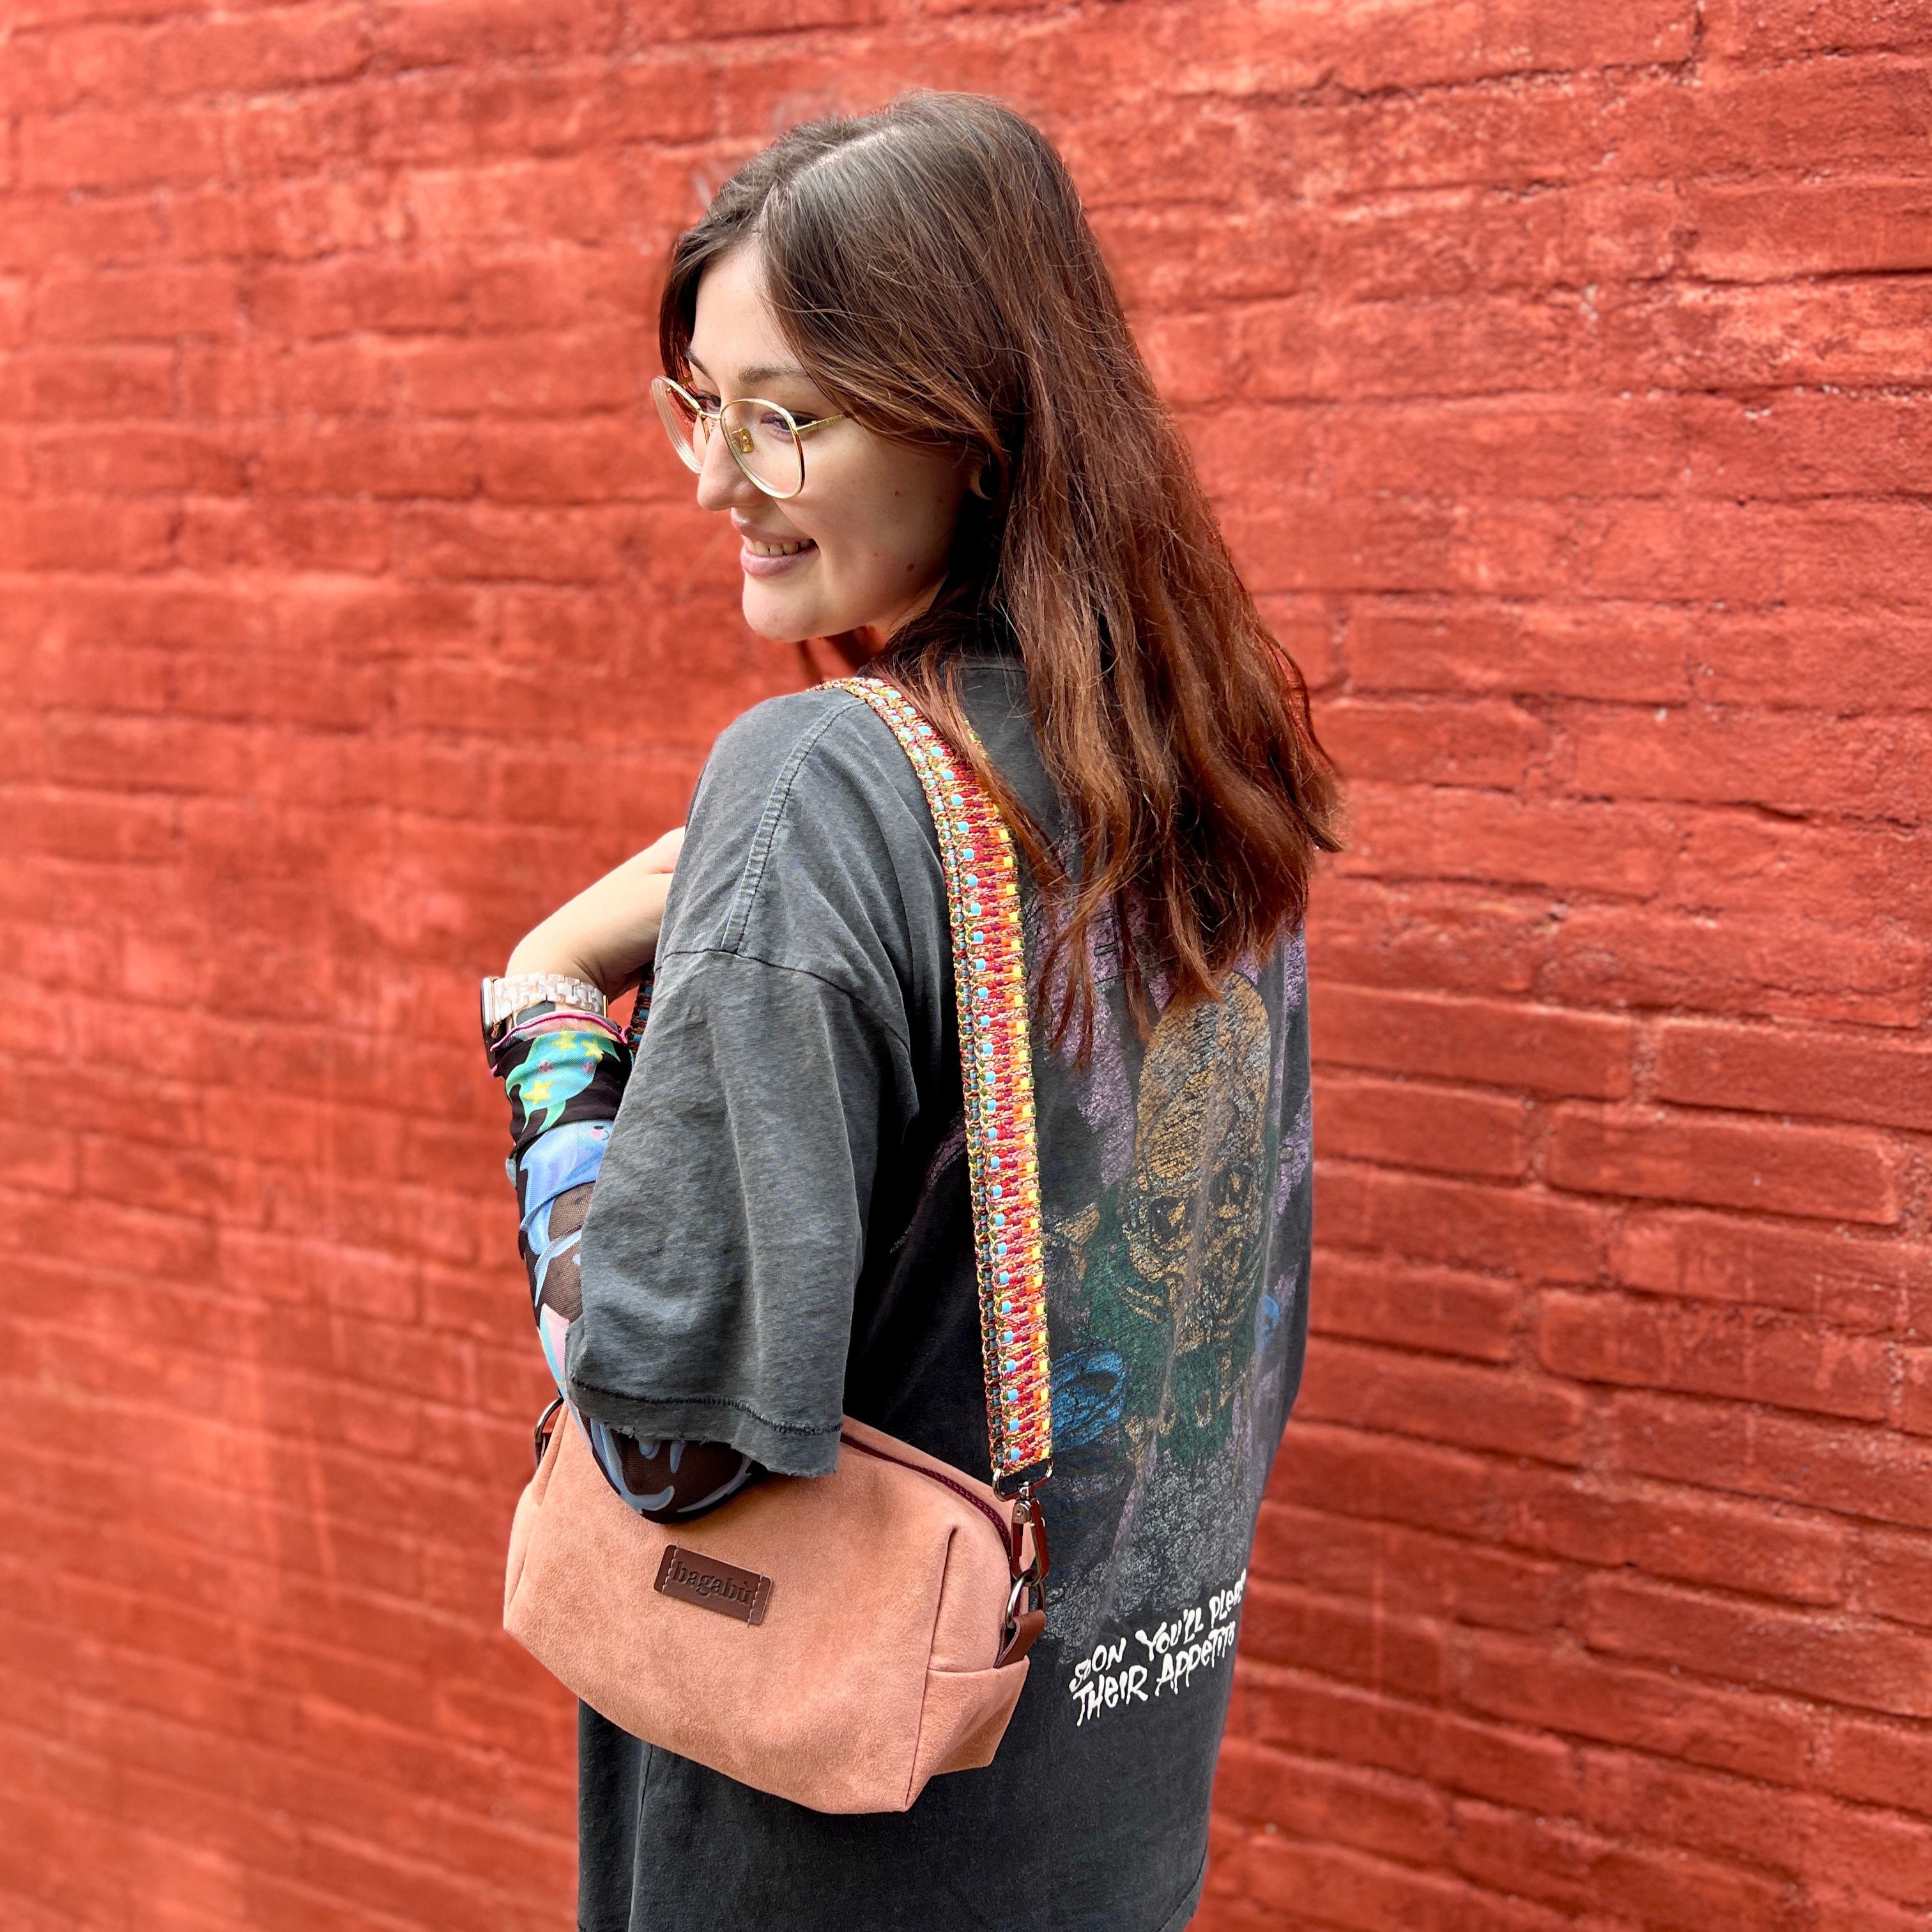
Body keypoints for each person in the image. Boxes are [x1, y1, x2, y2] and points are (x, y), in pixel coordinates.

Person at [482, 90, 1339, 1932]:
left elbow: (662, 1424)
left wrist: (555, 1024)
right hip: (1113, 1806)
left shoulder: (826, 791)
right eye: (700, 409)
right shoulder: (1198, 769)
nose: (718, 482)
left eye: (786, 417)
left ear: (978, 424)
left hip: (835, 1844)